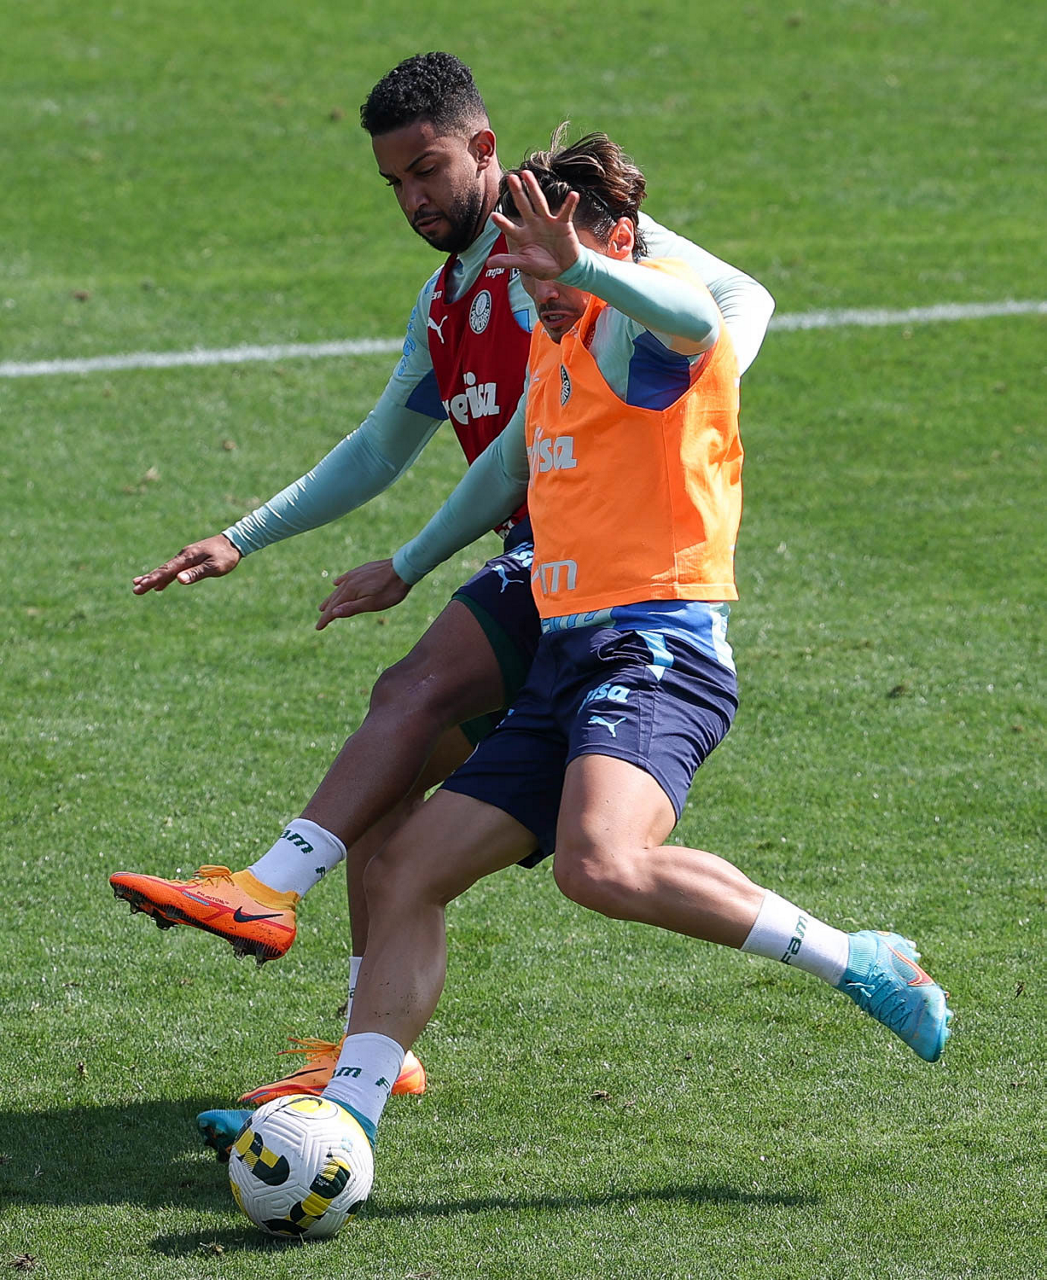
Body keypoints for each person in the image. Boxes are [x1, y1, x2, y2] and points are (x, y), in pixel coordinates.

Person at [200, 132, 951, 1167]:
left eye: (555, 267)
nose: (538, 292)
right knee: (404, 869)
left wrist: (587, 272)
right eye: (525, 273)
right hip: (566, 659)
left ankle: (858, 959)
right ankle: (348, 1119)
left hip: (658, 651)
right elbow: (500, 469)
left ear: (616, 246)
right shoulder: (555, 348)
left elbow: (699, 314)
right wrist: (405, 564)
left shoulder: (646, 336)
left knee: (599, 864)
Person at [110, 53, 775, 1105]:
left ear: (481, 149)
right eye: (395, 184)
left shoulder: (559, 229)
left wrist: (682, 398)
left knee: (411, 691)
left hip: (580, 560)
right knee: (388, 796)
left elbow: (734, 298)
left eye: (427, 171)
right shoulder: (447, 298)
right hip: (541, 563)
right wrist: (244, 537)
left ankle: (266, 889)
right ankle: (367, 1051)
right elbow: (382, 448)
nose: (414, 199)